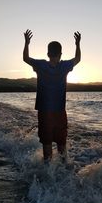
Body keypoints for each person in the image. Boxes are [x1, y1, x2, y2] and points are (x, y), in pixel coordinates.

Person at [23, 29, 81, 163]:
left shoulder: (41, 65)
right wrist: (77, 44)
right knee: (62, 146)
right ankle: (64, 175)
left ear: (48, 53)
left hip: (44, 112)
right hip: (60, 112)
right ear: (60, 54)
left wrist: (27, 43)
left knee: (47, 148)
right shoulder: (64, 66)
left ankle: (48, 177)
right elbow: (78, 59)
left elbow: (25, 58)